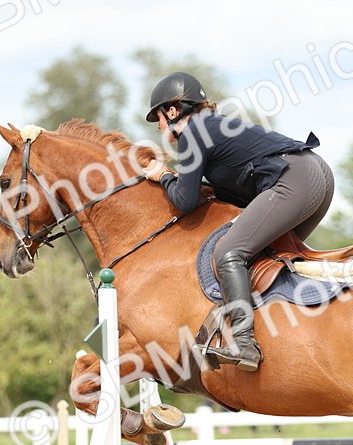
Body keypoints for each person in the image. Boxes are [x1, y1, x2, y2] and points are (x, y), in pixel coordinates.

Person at [142, 71, 335, 372]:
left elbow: (185, 201)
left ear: (172, 110)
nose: (160, 128)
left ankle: (243, 343)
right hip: (314, 175)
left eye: (159, 120)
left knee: (228, 252)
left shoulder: (193, 132)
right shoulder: (212, 127)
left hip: (295, 179)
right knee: (268, 257)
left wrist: (163, 175)